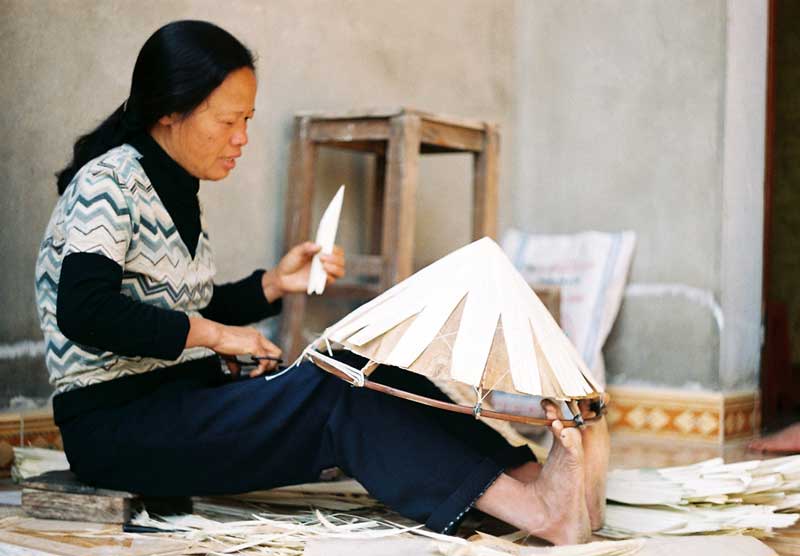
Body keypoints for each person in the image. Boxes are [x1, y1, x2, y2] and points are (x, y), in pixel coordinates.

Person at [35, 20, 609, 545]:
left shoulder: (175, 186)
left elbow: (180, 305)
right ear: (170, 111)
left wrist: (274, 283)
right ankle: (539, 513)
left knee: (368, 366)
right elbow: (85, 310)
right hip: (117, 431)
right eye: (227, 121)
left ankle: (532, 477)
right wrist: (216, 336)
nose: (241, 138)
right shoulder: (107, 182)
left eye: (248, 122)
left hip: (184, 402)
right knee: (337, 394)